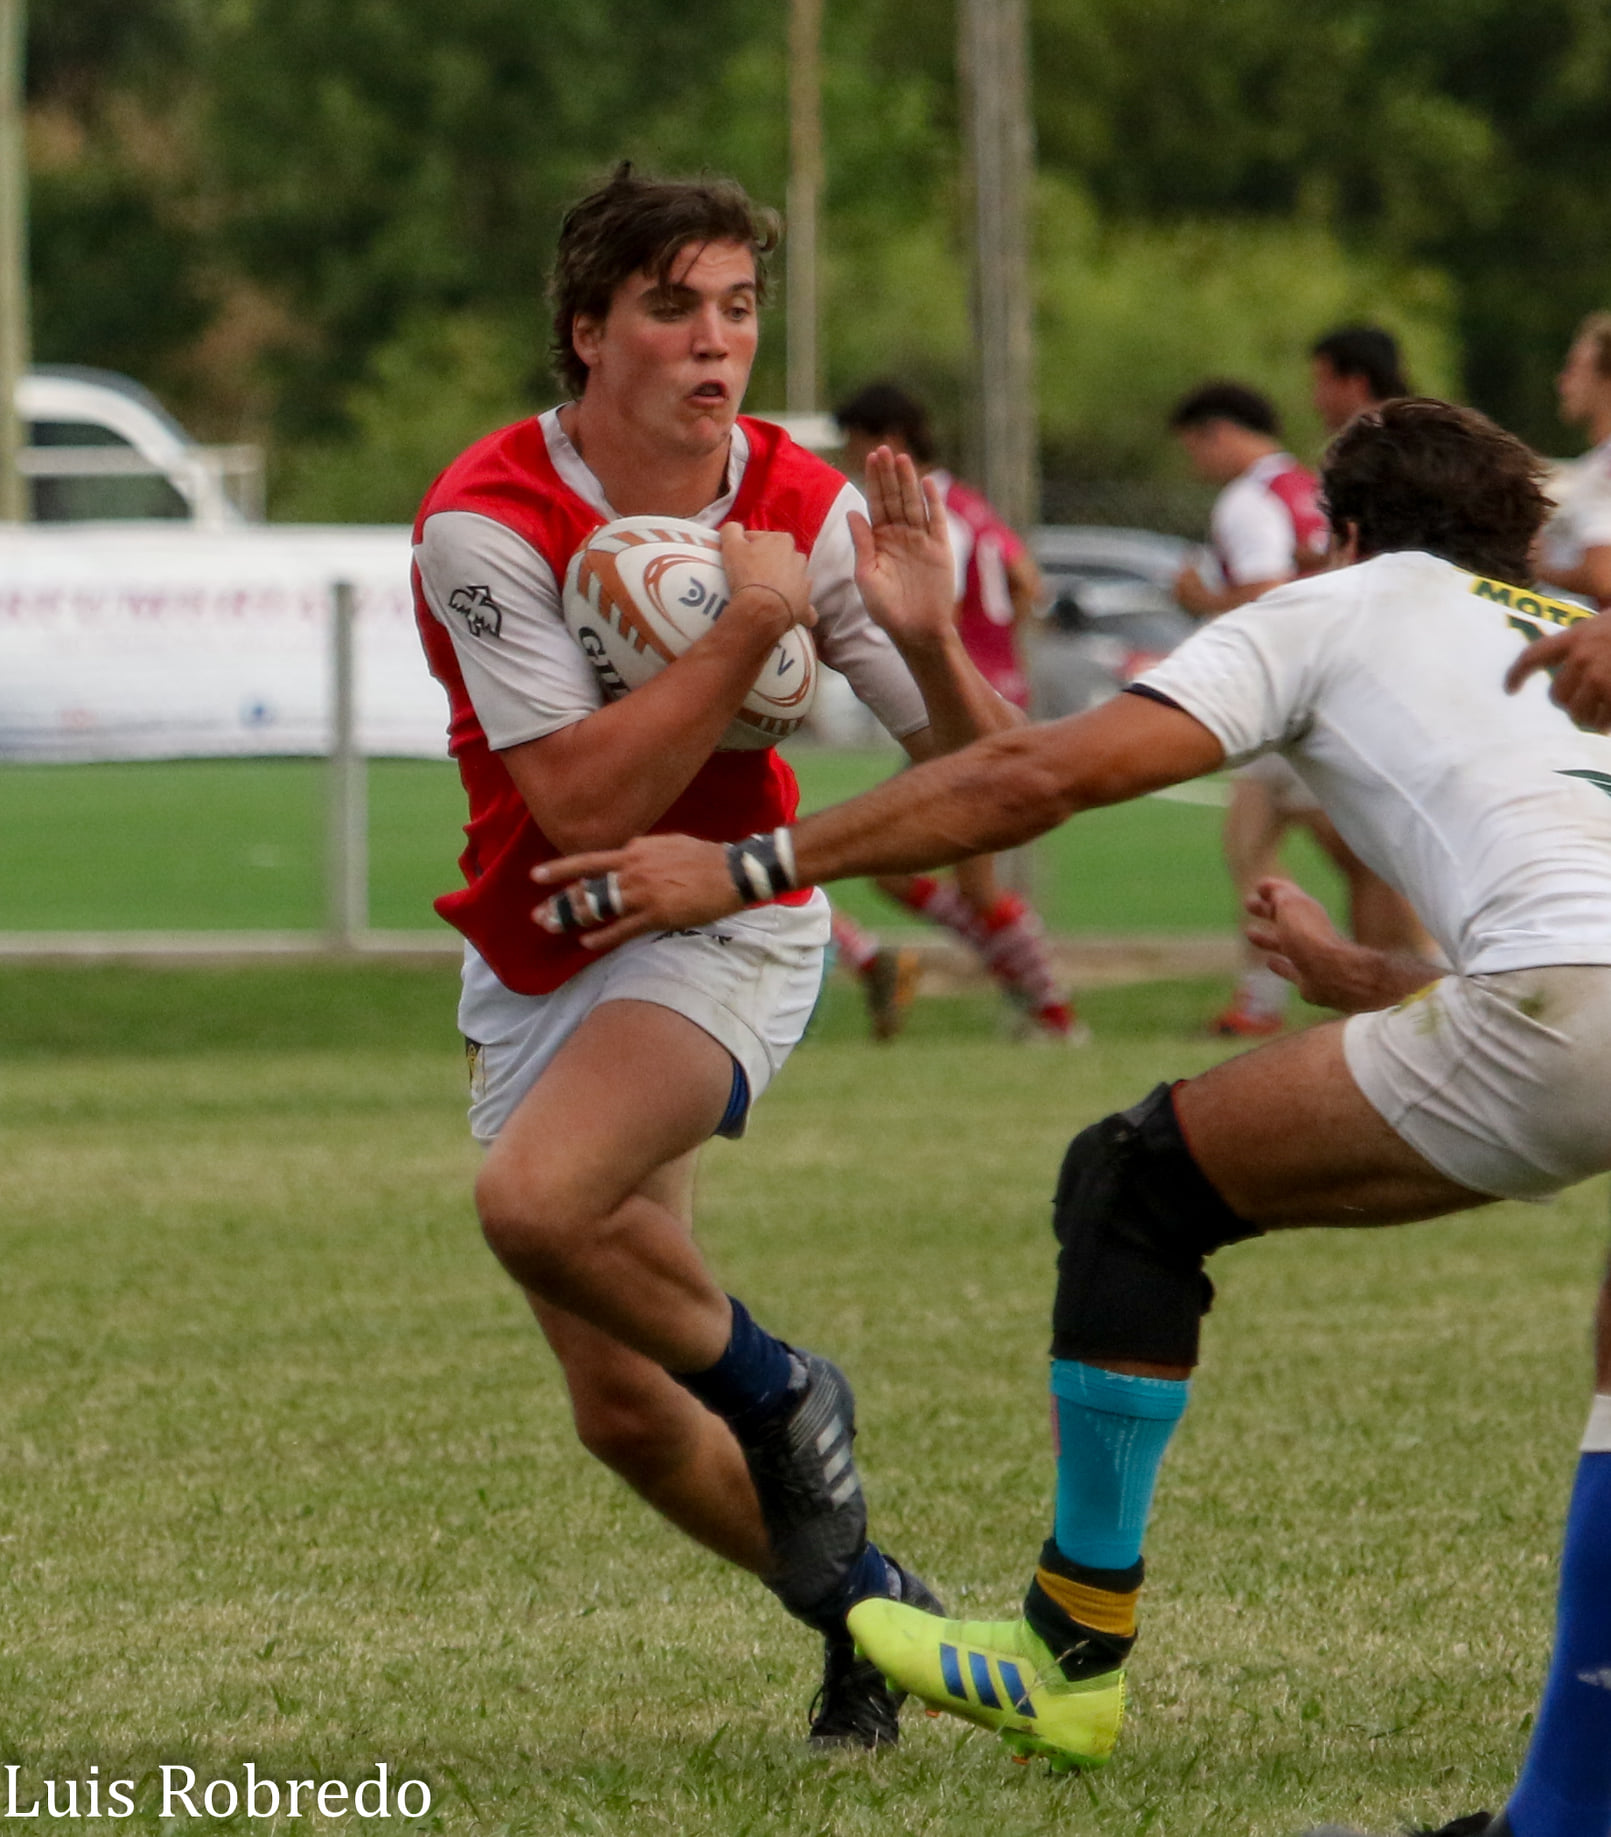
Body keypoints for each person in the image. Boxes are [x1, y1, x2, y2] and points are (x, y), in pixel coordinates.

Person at [534, 399, 1611, 1833]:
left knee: (1136, 1182)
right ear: (1518, 538)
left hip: (1555, 1006)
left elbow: (1032, 780)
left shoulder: (1333, 605)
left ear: (1338, 532)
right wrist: (1371, 979)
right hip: (1562, 1000)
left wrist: (738, 867)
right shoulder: (1561, 634)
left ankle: (1063, 1654)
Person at [412, 164, 1015, 1748]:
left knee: (536, 1202)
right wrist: (748, 631)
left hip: (727, 911)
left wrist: (934, 637)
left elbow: (994, 795)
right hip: (540, 937)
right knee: (619, 1407)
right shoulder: (486, 520)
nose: (712, 343)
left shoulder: (800, 507)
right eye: (671, 307)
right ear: (585, 329)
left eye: (736, 309)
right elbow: (575, 798)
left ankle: (780, 1390)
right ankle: (873, 1613)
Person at [819, 381, 1079, 1043]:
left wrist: (958, 660)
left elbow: (934, 595)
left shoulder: (929, 512)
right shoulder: (969, 502)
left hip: (959, 707)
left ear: (888, 440)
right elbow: (1025, 582)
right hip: (993, 694)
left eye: (855, 443)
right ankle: (1033, 997)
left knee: (940, 877)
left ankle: (1048, 1008)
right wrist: (1001, 654)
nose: (851, 459)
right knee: (931, 872)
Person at [1170, 380, 1428, 1037]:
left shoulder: (1248, 499)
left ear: (1217, 431)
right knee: (1253, 843)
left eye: (1192, 449)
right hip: (1327, 683)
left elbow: (1267, 590)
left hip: (1295, 688)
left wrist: (1200, 598)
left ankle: (1410, 989)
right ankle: (1267, 1000)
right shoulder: (1305, 483)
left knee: (1355, 860)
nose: (1193, 465)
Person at [1533, 311, 1611, 613]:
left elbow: (1603, 575)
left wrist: (1539, 566)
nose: (1562, 381)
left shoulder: (1603, 470)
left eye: (1574, 367)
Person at [1310, 325, 1412, 433]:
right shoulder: (1420, 438)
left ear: (1356, 384)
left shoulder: (1375, 445)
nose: (1316, 401)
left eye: (1324, 381)